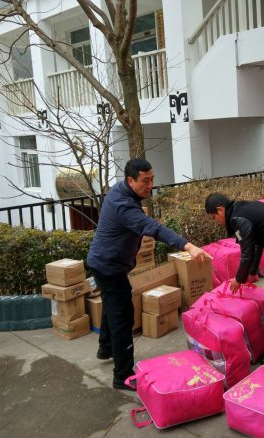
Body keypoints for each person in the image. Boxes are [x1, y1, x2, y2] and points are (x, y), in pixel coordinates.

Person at [86, 158, 210, 390]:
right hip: (109, 267)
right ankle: (122, 375)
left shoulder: (120, 192)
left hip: (105, 262)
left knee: (112, 305)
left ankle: (106, 348)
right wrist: (188, 246)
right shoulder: (124, 206)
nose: (150, 185)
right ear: (130, 180)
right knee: (123, 315)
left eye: (152, 179)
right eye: (145, 180)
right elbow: (153, 228)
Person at [205, 192, 264, 364]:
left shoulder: (238, 219)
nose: (216, 221)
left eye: (214, 217)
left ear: (220, 210)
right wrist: (251, 272)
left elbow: (246, 253)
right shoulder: (242, 210)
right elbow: (257, 243)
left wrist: (239, 279)